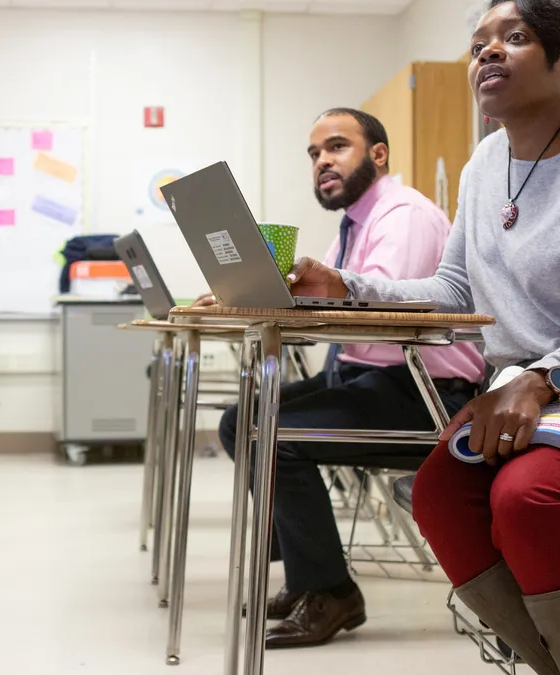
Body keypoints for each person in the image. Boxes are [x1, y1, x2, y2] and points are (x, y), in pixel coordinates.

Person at [284, 2, 560, 673]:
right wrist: (346, 284)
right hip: (538, 399)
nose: (487, 53)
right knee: (440, 495)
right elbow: (452, 292)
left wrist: (542, 379)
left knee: (527, 498)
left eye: (514, 39)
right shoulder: (486, 165)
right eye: (479, 43)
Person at [206, 108, 486, 649]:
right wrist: (245, 292)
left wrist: (286, 297)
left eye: (336, 147)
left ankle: (330, 592)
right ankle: (307, 573)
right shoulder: (355, 223)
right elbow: (325, 295)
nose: (322, 162)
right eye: (314, 154)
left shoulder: (401, 214)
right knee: (242, 420)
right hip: (371, 376)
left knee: (276, 435)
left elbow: (370, 305)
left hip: (424, 392)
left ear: (377, 155)